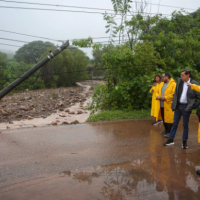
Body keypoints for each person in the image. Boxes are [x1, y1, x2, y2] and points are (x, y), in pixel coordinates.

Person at [164, 69, 200, 149]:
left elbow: (199, 97)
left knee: (185, 126)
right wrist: (175, 106)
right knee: (174, 124)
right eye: (181, 75)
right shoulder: (179, 82)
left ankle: (184, 142)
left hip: (186, 108)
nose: (181, 76)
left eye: (183, 75)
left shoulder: (194, 84)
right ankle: (171, 139)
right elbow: (176, 95)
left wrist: (191, 107)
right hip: (178, 107)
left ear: (188, 75)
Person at [156, 72, 176, 137]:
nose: (162, 78)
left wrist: (164, 98)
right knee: (164, 118)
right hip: (161, 105)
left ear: (167, 77)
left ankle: (170, 132)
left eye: (163, 77)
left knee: (169, 118)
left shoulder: (173, 84)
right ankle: (166, 130)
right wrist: (158, 96)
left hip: (169, 104)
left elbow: (174, 95)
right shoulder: (161, 84)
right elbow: (157, 91)